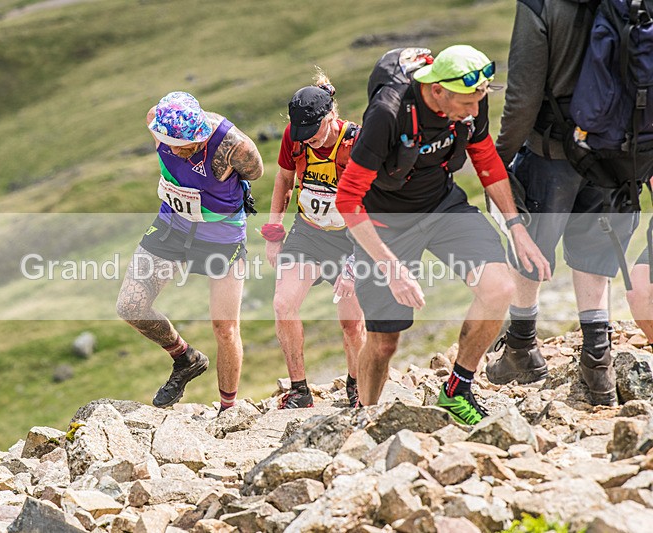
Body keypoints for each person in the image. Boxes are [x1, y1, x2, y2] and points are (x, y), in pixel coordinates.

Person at [335, 45, 550, 425]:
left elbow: (485, 159)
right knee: (384, 342)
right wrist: (391, 267)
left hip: (441, 206)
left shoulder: (472, 102)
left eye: (478, 101)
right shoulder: (388, 114)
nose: (473, 111)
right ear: (437, 90)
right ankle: (363, 419)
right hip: (384, 222)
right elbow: (348, 200)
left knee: (498, 287)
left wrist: (517, 227)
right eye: (466, 103)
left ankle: (456, 390)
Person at [492, 0, 639, 406]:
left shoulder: (540, 6)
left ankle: (521, 347)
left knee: (529, 243)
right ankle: (598, 364)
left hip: (553, 151)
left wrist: (499, 161)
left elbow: (522, 97)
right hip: (618, 152)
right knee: (594, 256)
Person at [116, 91, 263, 411]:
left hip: (220, 236)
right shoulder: (155, 119)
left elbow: (255, 173)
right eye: (177, 147)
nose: (184, 152)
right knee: (130, 306)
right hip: (173, 225)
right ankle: (185, 359)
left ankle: (228, 409)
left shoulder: (233, 145)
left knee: (225, 328)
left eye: (192, 146)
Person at [261, 71, 366, 409]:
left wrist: (356, 263)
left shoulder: (356, 143)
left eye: (315, 133)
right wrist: (274, 232)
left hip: (352, 238)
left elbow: (377, 204)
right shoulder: (296, 136)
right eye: (303, 135)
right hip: (309, 232)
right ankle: (299, 390)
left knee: (351, 323)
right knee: (283, 304)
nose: (308, 141)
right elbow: (284, 178)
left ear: (331, 116)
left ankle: (357, 384)